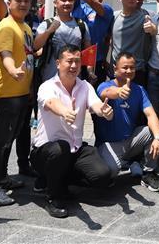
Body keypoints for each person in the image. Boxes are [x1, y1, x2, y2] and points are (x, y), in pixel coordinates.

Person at [30, 45, 113, 218]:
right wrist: (65, 112)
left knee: (102, 176)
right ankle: (53, 196)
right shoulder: (47, 86)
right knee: (60, 149)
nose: (74, 66)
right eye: (69, 61)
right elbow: (51, 103)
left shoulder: (85, 86)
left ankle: (58, 180)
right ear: (58, 63)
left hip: (74, 149)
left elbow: (96, 104)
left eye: (77, 61)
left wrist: (103, 111)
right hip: (47, 152)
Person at [0, 0, 34, 206]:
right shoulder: (6, 26)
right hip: (7, 94)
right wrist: (13, 70)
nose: (22, 4)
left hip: (21, 92)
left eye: (26, 1)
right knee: (0, 141)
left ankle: (2, 178)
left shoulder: (24, 26)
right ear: (9, 3)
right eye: (18, 1)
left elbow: (28, 53)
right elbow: (5, 54)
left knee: (9, 140)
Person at [95, 53, 159, 192]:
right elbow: (106, 92)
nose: (129, 71)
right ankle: (130, 162)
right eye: (125, 67)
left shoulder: (139, 90)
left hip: (130, 141)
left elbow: (151, 114)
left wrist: (158, 138)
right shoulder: (104, 85)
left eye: (132, 67)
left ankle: (148, 172)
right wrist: (119, 92)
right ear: (115, 69)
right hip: (108, 145)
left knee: (152, 131)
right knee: (110, 173)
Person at [64, 0, 115, 81]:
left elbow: (107, 39)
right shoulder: (77, 4)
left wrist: (105, 59)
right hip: (73, 60)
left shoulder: (107, 10)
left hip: (96, 63)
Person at [34, 0, 91, 84]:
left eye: (70, 0)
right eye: (64, 0)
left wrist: (90, 71)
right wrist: (49, 31)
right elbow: (36, 46)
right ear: (55, 3)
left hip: (75, 81)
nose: (67, 3)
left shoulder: (81, 25)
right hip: (50, 79)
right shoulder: (46, 24)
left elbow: (89, 51)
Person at [108, 0, 155, 86]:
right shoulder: (114, 17)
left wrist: (152, 29)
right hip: (117, 71)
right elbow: (108, 39)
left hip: (137, 71)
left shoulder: (144, 16)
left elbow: (154, 30)